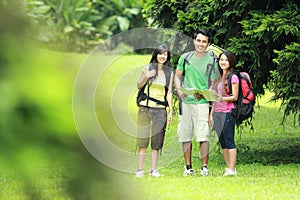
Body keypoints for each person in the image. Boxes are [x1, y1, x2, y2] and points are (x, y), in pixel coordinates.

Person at [174, 29, 218, 176]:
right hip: (186, 101)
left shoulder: (212, 61)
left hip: (202, 102)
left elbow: (213, 82)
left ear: (208, 44)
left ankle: (204, 167)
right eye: (198, 40)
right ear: (194, 41)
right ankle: (188, 167)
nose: (201, 44)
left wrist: (206, 93)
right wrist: (179, 90)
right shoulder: (185, 58)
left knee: (203, 135)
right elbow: (177, 75)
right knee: (185, 135)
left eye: (204, 41)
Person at [135, 45, 174, 177]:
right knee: (142, 139)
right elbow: (138, 85)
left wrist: (171, 111)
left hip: (160, 109)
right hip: (145, 107)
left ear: (167, 57)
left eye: (165, 54)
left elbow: (169, 92)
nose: (162, 57)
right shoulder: (147, 69)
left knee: (157, 140)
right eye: (160, 54)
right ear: (155, 55)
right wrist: (146, 77)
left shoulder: (169, 72)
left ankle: (153, 170)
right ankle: (139, 170)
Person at [209, 50, 238, 176]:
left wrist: (222, 99)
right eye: (221, 60)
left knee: (229, 139)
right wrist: (210, 114)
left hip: (228, 111)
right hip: (217, 112)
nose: (223, 62)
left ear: (230, 62)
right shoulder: (217, 78)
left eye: (226, 60)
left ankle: (232, 169)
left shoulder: (233, 77)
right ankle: (228, 168)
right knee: (222, 141)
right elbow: (214, 98)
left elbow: (235, 97)